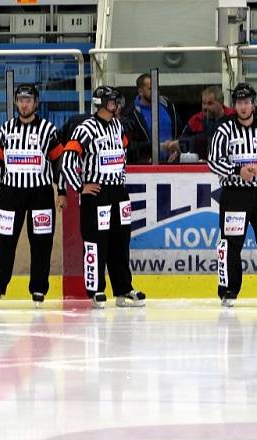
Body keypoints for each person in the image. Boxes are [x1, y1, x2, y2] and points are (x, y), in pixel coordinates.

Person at [61, 86, 146, 309]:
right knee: (96, 242)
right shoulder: (85, 128)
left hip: (118, 192)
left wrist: (121, 178)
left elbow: (124, 153)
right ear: (102, 103)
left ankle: (123, 289)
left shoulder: (118, 126)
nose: (116, 105)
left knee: (121, 241)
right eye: (112, 101)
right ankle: (96, 289)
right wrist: (80, 187)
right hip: (97, 194)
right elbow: (67, 160)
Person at [0, 84, 67, 310]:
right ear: (15, 102)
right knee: (4, 241)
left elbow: (58, 163)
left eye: (28, 100)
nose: (24, 104)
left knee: (41, 243)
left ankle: (39, 288)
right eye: (20, 100)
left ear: (36, 103)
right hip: (11, 193)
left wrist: (61, 191)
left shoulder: (48, 130)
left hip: (40, 193)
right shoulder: (6, 129)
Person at [207, 83, 257, 309]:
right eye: (239, 103)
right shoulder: (224, 130)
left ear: (254, 104)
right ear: (234, 106)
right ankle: (229, 290)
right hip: (235, 196)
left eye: (247, 102)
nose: (243, 107)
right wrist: (236, 171)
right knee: (231, 243)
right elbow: (214, 160)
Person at [121, 73, 180, 164]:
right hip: (146, 166)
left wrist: (177, 150)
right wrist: (155, 149)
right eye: (151, 89)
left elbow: (180, 133)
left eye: (157, 88)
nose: (156, 91)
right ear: (140, 91)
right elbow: (131, 145)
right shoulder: (131, 113)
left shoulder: (168, 106)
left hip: (172, 163)